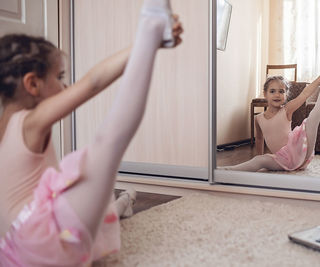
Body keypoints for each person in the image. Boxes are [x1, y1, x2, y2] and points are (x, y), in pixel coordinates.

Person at [0, 0, 183, 265]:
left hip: (14, 251)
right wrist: (147, 42)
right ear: (32, 83)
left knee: (91, 190)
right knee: (108, 142)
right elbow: (93, 82)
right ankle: (151, 24)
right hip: (40, 238)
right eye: (59, 77)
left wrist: (147, 45)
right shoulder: (28, 120)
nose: (64, 86)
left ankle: (124, 202)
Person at [224, 49, 320, 172]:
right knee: (260, 160)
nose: (277, 95)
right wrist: (260, 155)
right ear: (265, 94)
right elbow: (260, 139)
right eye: (272, 91)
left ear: (285, 95)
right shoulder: (259, 119)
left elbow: (304, 94)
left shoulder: (287, 110)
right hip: (281, 160)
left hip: (299, 152)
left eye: (281, 91)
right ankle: (227, 171)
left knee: (314, 117)